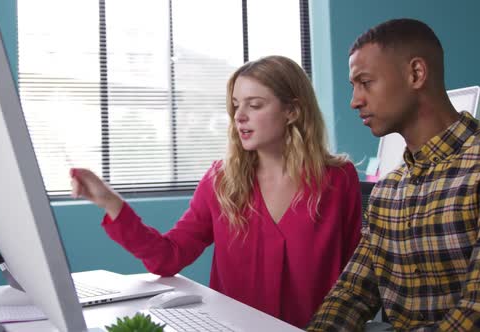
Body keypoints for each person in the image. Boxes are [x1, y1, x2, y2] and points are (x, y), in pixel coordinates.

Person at [70, 55, 362, 328]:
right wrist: (110, 202)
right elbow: (167, 257)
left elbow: (356, 278)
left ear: (292, 111)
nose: (239, 116)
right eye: (236, 105)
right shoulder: (220, 181)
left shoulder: (338, 180)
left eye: (255, 105)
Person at [307, 18, 480, 331]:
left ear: (416, 74)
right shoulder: (387, 191)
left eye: (366, 82)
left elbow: (474, 312)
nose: (354, 100)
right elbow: (351, 294)